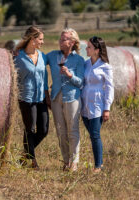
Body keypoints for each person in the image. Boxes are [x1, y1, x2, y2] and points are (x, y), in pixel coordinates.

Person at [46, 28, 85, 172]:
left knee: (72, 130)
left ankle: (74, 162)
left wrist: (69, 75)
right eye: (60, 39)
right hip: (56, 98)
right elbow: (37, 59)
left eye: (64, 39)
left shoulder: (79, 60)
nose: (61, 41)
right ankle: (66, 161)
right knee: (61, 131)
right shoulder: (52, 55)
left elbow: (80, 82)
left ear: (72, 42)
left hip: (72, 98)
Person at [14, 26, 49, 169]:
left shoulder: (42, 56)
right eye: (40, 39)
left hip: (41, 97)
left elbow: (45, 77)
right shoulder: (18, 57)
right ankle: (33, 162)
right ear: (32, 39)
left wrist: (48, 96)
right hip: (26, 98)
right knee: (30, 129)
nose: (42, 42)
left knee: (44, 130)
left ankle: (24, 156)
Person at [81, 36, 114, 173]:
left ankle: (98, 166)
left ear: (97, 50)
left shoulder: (106, 67)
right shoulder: (86, 64)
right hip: (84, 104)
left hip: (98, 105)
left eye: (89, 47)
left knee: (95, 134)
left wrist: (107, 108)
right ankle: (98, 163)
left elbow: (110, 87)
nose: (86, 49)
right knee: (92, 135)